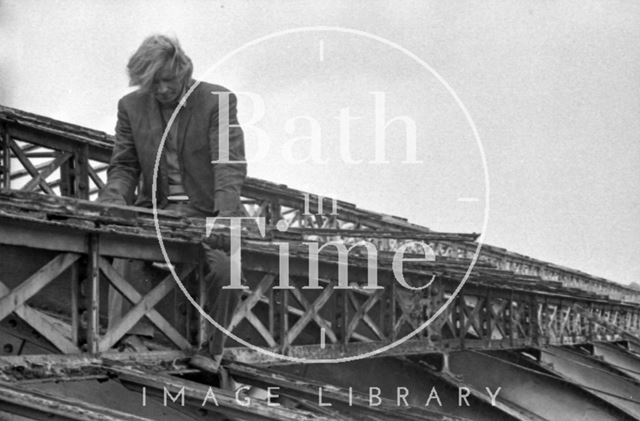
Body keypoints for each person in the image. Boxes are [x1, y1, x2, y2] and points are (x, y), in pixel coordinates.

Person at [98, 34, 246, 368]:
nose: (163, 89)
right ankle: (122, 338)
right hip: (157, 210)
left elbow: (228, 164)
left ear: (184, 72)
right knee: (118, 247)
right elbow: (124, 166)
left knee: (227, 269)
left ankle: (213, 350)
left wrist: (225, 214)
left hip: (205, 211)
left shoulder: (216, 101)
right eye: (154, 84)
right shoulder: (131, 107)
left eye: (169, 81)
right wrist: (112, 202)